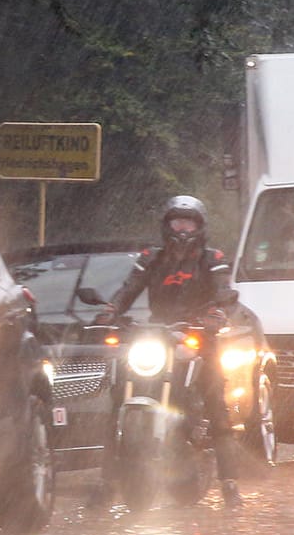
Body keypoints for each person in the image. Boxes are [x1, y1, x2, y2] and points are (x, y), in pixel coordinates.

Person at [93, 195, 245, 508]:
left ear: (199, 227)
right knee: (119, 395)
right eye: (177, 221)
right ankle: (107, 483)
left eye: (188, 222)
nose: (182, 228)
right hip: (158, 335)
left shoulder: (212, 258)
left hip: (199, 336)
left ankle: (229, 483)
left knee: (216, 403)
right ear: (167, 225)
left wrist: (215, 315)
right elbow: (129, 288)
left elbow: (222, 291)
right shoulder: (152, 257)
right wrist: (111, 310)